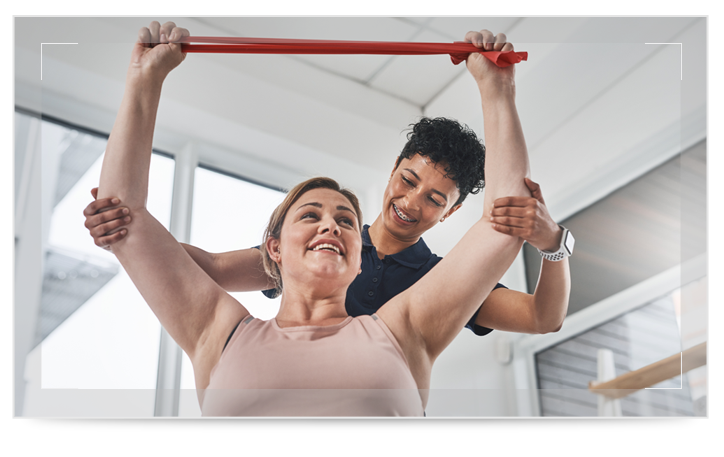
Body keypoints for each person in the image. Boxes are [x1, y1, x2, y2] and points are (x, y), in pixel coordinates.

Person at [94, 20, 558, 416]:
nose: (330, 226)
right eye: (310, 215)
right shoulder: (219, 331)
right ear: (273, 250)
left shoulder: (406, 325)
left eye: (345, 221)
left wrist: (498, 91)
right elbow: (127, 220)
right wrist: (144, 78)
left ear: (360, 258)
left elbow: (504, 225)